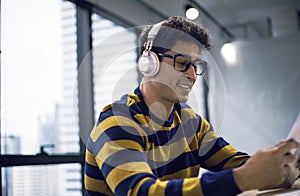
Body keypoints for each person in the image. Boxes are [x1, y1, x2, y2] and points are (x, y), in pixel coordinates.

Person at [84, 16, 300, 195]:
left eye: (195, 65)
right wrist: (241, 178)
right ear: (148, 62)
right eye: (181, 62)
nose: (191, 75)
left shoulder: (191, 123)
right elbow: (140, 191)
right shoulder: (116, 121)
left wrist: (279, 163)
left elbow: (237, 164)